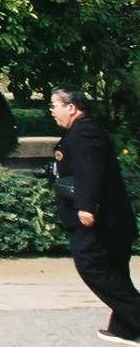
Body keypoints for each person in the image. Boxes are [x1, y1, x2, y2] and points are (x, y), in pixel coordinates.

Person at [50, 85, 140, 342]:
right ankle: (125, 328)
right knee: (115, 271)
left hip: (100, 220)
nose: (52, 112)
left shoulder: (85, 133)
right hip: (113, 219)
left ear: (71, 107)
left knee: (92, 265)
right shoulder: (83, 131)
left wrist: (85, 206)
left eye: (54, 106)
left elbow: (91, 172)